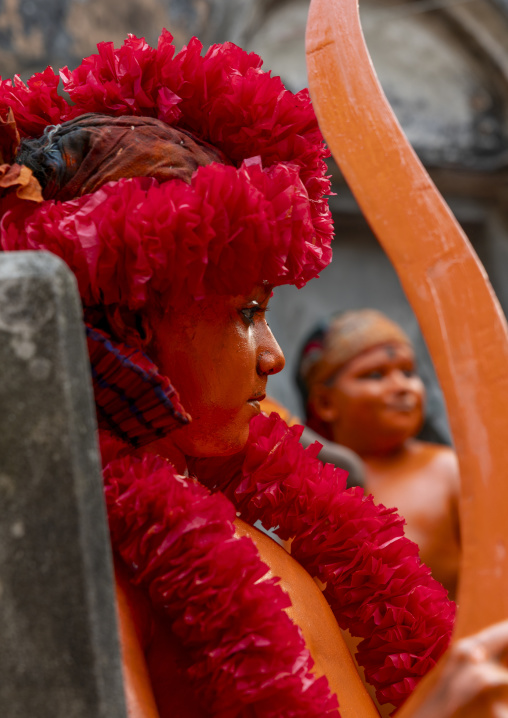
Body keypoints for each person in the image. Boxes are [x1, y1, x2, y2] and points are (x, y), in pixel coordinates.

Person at [0, 30, 507, 718]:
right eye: (245, 312)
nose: (271, 353)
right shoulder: (76, 551)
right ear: (130, 328)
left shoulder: (239, 511)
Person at [297, 309, 461, 599]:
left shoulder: (450, 470)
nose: (402, 387)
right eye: (375, 374)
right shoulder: (305, 488)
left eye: (409, 372)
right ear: (324, 403)